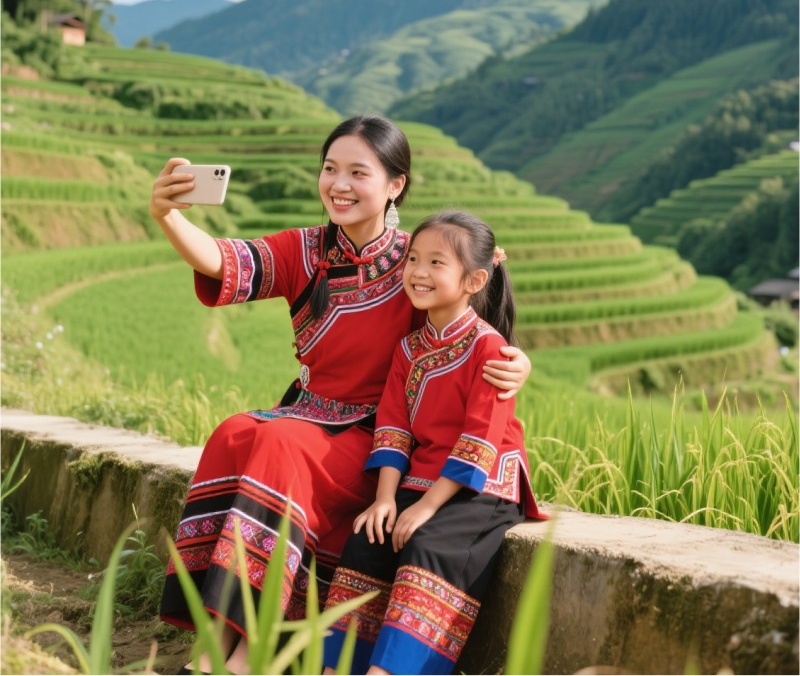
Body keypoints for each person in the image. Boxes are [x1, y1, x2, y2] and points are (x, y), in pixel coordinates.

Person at [149, 115, 533, 675]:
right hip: (309, 412)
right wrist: (167, 214)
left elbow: (472, 315)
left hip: (378, 432)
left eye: (359, 172)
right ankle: (212, 649)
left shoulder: (416, 259)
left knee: (281, 445)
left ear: (395, 184)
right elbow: (223, 261)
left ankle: (238, 661)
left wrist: (516, 360)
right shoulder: (306, 250)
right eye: (330, 169)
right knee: (235, 432)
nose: (339, 184)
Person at [321, 210, 546, 676]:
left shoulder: (490, 349)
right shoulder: (408, 348)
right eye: (413, 259)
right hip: (419, 480)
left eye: (436, 263)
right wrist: (385, 499)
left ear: (475, 279)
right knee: (368, 538)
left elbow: (481, 438)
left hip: (481, 487)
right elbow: (394, 428)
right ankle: (337, 668)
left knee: (426, 544)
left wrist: (424, 507)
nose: (419, 272)